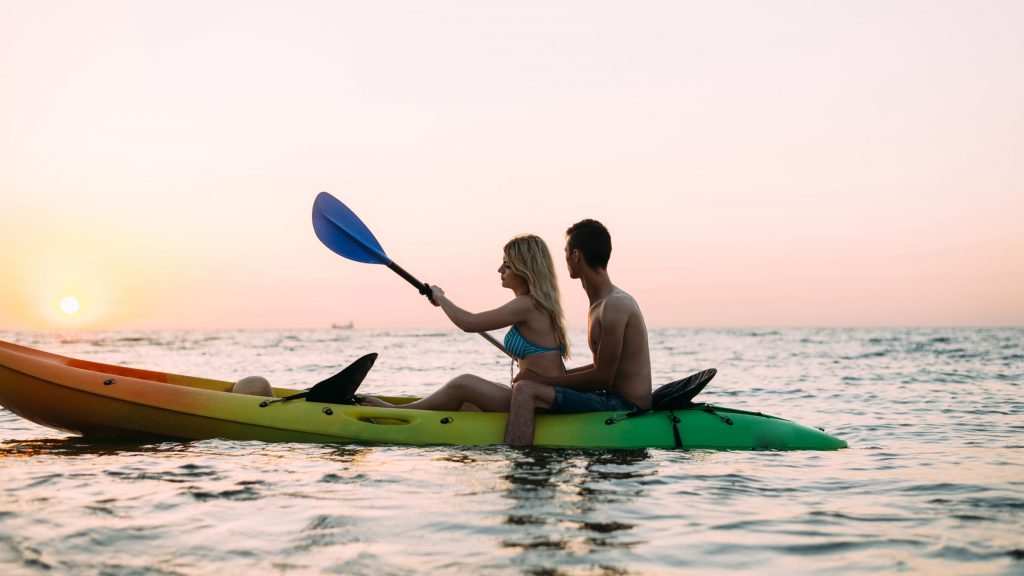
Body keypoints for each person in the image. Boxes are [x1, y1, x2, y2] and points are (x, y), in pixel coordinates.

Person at [361, 234, 570, 411]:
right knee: (466, 403)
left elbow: (469, 323)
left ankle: (397, 412)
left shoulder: (527, 305)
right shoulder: (537, 304)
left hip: (538, 402)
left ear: (525, 270)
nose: (500, 270)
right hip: (540, 396)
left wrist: (441, 298)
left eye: (507, 265)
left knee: (463, 384)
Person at [505, 219, 652, 447]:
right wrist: (555, 378)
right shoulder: (599, 305)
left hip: (625, 405)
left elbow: (603, 377)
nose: (564, 260)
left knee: (525, 390)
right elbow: (600, 368)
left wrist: (542, 381)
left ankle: (522, 470)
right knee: (529, 386)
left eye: (565, 253)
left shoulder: (615, 305)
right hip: (609, 398)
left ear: (576, 256)